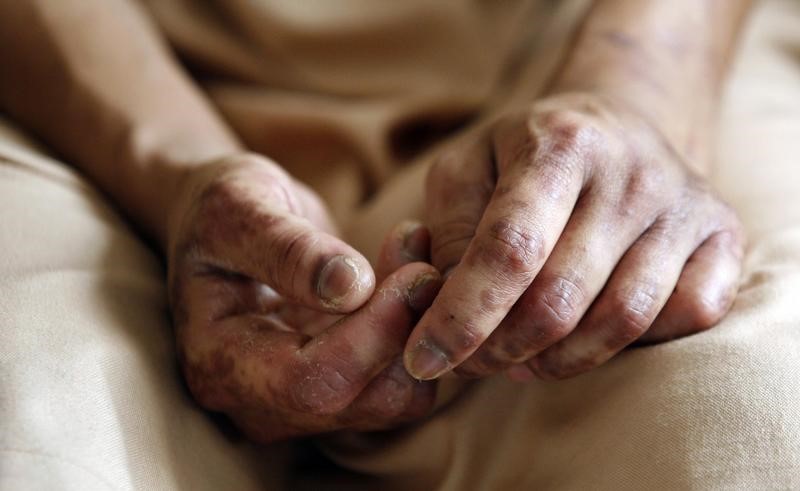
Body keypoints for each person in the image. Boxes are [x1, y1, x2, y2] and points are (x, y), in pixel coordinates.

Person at [2, 0, 800, 489]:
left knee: (753, 416)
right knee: (31, 422)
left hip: (612, 40)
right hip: (100, 78)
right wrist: (175, 171)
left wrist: (638, 89)